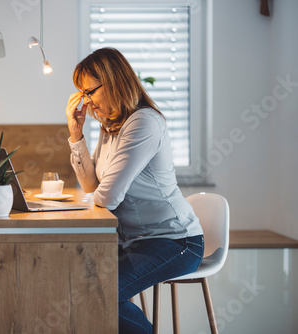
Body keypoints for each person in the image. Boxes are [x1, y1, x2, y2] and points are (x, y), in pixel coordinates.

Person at [65, 47, 204, 334]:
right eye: (83, 95)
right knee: (77, 282)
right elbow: (93, 186)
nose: (86, 102)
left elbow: (108, 196)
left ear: (114, 81)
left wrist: (96, 196)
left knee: (99, 292)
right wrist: (76, 134)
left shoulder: (144, 122)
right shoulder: (111, 127)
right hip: (137, 240)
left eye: (89, 92)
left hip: (176, 241)